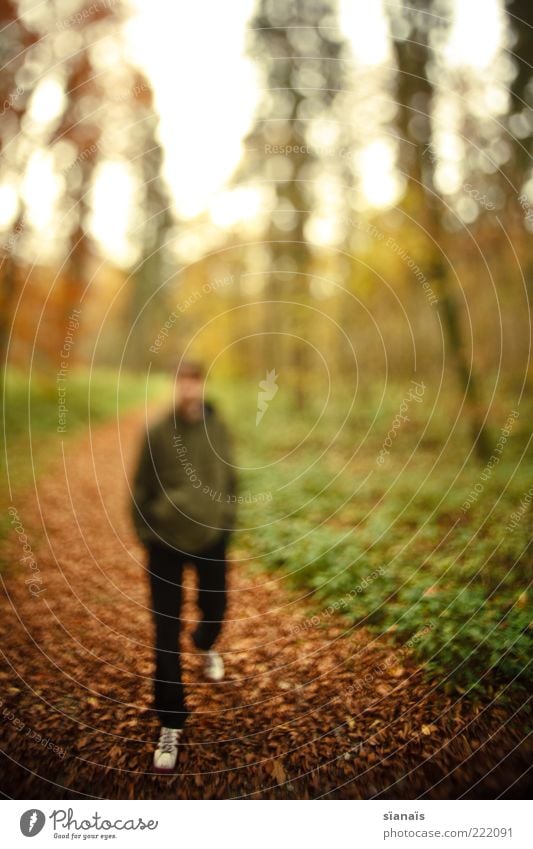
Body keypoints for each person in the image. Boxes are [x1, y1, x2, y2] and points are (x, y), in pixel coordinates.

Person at [130, 358, 237, 773]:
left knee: (216, 608)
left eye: (195, 382)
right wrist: (146, 532)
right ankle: (170, 722)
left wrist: (227, 523)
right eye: (182, 382)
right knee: (165, 629)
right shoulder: (157, 432)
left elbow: (230, 477)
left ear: (202, 385)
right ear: (175, 386)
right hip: (165, 542)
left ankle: (207, 642)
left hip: (211, 537)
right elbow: (140, 487)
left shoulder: (218, 427)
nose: (188, 389)